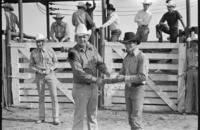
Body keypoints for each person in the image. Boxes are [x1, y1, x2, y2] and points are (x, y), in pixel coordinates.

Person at [68, 23, 110, 130]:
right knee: (79, 116)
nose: (82, 39)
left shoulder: (93, 48)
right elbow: (79, 73)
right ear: (76, 38)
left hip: (93, 87)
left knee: (93, 115)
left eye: (84, 36)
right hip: (81, 87)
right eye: (80, 37)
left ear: (87, 36)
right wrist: (96, 79)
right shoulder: (72, 52)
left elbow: (99, 62)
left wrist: (106, 71)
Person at [118, 32, 148, 130]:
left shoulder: (141, 57)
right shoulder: (126, 58)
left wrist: (125, 78)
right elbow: (122, 73)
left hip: (138, 88)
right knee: (131, 118)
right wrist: (114, 77)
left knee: (135, 118)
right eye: (127, 43)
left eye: (131, 43)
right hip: (128, 89)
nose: (129, 45)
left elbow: (143, 77)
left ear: (136, 43)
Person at [29, 33, 60, 125]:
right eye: (37, 42)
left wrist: (50, 69)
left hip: (50, 74)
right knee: (41, 97)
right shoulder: (33, 52)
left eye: (41, 42)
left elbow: (56, 62)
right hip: (39, 76)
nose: (39, 44)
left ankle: (56, 118)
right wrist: (38, 70)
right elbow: (31, 65)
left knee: (54, 96)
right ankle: (41, 117)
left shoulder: (50, 50)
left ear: (44, 42)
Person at [185, 35, 198, 114]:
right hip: (190, 70)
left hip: (197, 70)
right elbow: (186, 62)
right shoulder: (188, 51)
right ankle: (188, 110)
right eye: (193, 41)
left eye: (195, 41)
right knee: (189, 90)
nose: (194, 43)